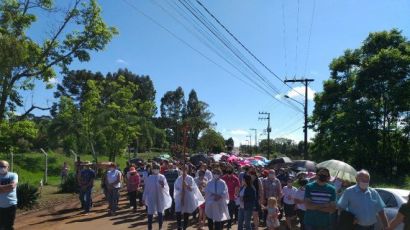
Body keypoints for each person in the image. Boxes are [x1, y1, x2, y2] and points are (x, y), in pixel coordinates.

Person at [174, 165, 205, 230]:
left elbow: (193, 189)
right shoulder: (178, 178)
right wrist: (180, 190)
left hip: (188, 198)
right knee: (178, 212)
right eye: (183, 169)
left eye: (185, 169)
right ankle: (179, 226)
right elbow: (176, 188)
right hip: (180, 197)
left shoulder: (190, 178)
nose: (184, 170)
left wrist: (187, 185)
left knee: (186, 213)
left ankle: (184, 227)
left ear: (187, 170)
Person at [143, 163, 172, 230]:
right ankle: (149, 227)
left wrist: (163, 185)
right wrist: (144, 198)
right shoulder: (149, 177)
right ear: (152, 169)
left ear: (159, 169)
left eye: (157, 168)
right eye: (154, 168)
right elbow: (146, 189)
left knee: (160, 212)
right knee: (150, 212)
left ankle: (160, 227)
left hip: (160, 197)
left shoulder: (162, 177)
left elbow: (166, 188)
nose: (156, 169)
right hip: (151, 197)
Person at [0, 160, 18, 230]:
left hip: (11, 205)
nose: (1, 168)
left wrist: (1, 188)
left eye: (3, 166)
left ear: (8, 167)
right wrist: (7, 188)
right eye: (0, 166)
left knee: (9, 226)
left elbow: (12, 186)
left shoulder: (13, 175)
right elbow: (10, 187)